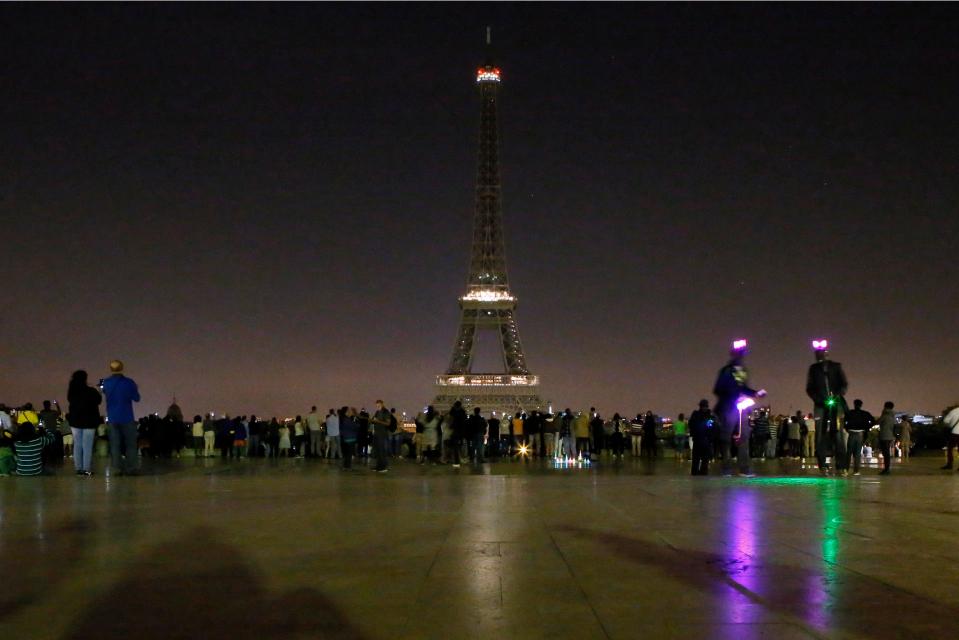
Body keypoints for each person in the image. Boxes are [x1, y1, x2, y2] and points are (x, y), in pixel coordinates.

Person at [713, 339, 765, 477]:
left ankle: (744, 468)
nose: (741, 356)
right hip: (729, 408)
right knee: (726, 437)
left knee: (744, 436)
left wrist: (755, 393)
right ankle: (726, 468)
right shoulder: (726, 371)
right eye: (739, 353)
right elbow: (718, 389)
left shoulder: (743, 371)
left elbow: (744, 388)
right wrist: (733, 397)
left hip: (741, 408)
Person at [806, 341, 848, 475]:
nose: (819, 355)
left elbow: (844, 384)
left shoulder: (836, 366)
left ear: (826, 353)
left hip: (836, 403)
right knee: (820, 435)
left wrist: (837, 395)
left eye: (821, 352)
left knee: (838, 435)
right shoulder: (813, 369)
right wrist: (819, 399)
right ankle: (822, 465)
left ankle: (841, 466)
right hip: (820, 405)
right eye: (817, 353)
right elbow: (809, 388)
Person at [101, 360, 141, 476]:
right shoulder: (129, 382)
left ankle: (117, 468)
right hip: (127, 417)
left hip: (113, 417)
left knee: (115, 444)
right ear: (122, 368)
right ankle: (131, 467)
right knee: (131, 444)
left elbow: (103, 392)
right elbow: (137, 398)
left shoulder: (106, 383)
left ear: (111, 369)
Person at [67, 370, 102, 476]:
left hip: (75, 421)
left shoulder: (72, 392)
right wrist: (100, 389)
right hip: (89, 421)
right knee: (87, 446)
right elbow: (99, 400)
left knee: (77, 445)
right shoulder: (91, 391)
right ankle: (86, 468)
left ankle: (78, 469)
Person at [844, 399, 874, 476]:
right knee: (857, 453)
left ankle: (846, 470)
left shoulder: (850, 413)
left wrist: (847, 428)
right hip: (860, 433)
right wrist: (867, 428)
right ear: (861, 405)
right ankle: (856, 471)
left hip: (851, 433)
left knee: (849, 452)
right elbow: (872, 421)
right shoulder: (865, 413)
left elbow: (844, 421)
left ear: (854, 404)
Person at [689, 400, 715, 475]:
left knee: (697, 458)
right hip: (705, 439)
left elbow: (691, 425)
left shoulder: (695, 414)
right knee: (704, 458)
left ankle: (696, 472)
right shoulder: (710, 416)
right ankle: (703, 472)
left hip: (699, 439)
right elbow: (712, 427)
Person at [370, 400, 392, 473]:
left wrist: (377, 421)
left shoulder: (386, 412)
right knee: (378, 451)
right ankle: (378, 466)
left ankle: (383, 467)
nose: (377, 407)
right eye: (376, 406)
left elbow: (388, 423)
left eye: (378, 405)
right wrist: (373, 420)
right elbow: (373, 420)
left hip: (382, 434)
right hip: (377, 433)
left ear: (382, 404)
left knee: (382, 451)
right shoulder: (377, 412)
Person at [877, 401, 896, 475]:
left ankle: (886, 469)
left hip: (884, 435)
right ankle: (887, 468)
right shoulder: (893, 416)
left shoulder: (884, 415)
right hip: (890, 436)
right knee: (887, 453)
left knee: (886, 453)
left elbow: (878, 422)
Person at [447, 401, 467, 468]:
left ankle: (456, 461)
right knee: (460, 446)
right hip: (461, 431)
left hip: (454, 431)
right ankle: (460, 459)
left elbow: (449, 420)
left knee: (454, 447)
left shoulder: (452, 411)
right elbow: (464, 422)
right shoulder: (463, 412)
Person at [941, 405, 959, 471]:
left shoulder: (954, 411)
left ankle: (949, 464)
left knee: (950, 448)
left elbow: (946, 421)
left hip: (955, 433)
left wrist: (950, 424)